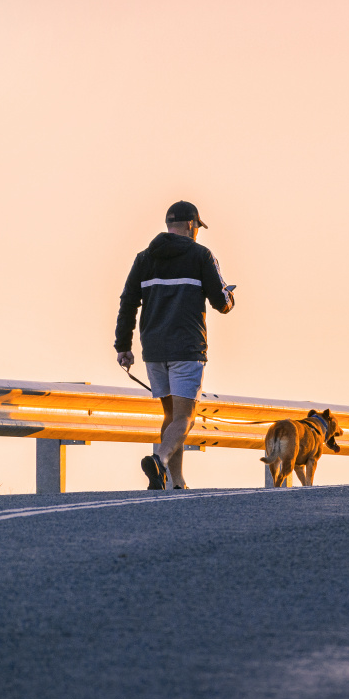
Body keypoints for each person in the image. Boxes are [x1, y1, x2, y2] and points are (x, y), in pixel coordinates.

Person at [114, 201, 235, 490]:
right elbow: (220, 302)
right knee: (185, 417)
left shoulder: (144, 258)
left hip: (153, 350)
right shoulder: (201, 255)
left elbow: (128, 302)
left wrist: (123, 345)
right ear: (192, 225)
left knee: (170, 416)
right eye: (197, 228)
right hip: (186, 348)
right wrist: (230, 298)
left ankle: (175, 482)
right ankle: (160, 459)